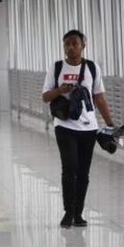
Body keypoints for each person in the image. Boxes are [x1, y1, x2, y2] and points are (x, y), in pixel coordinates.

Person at [42, 30, 114, 228]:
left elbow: (99, 97)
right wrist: (61, 90)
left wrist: (110, 124)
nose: (70, 47)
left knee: (83, 172)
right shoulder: (56, 68)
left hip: (89, 128)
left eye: (74, 43)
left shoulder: (92, 68)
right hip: (64, 126)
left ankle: (78, 213)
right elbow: (46, 96)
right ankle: (68, 212)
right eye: (67, 44)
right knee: (70, 168)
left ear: (83, 45)